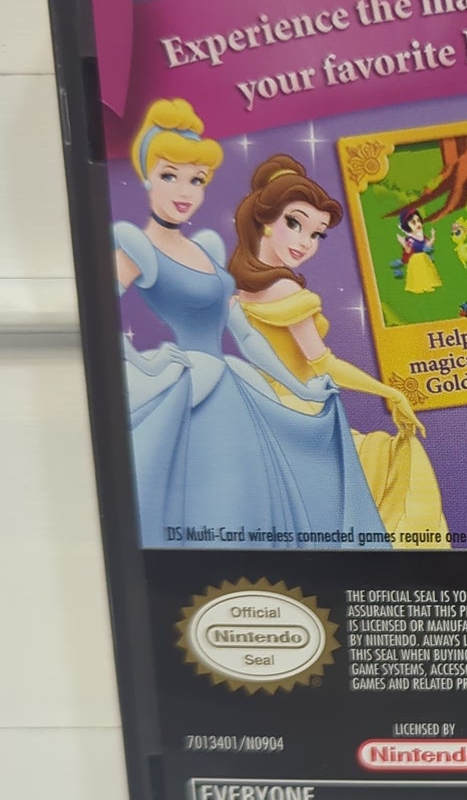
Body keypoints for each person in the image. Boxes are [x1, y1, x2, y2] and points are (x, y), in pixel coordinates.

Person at [113, 100, 351, 548]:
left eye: (197, 179)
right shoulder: (137, 246)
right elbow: (97, 317)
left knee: (256, 501)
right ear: (146, 175)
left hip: (231, 379)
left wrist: (299, 389)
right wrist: (145, 365)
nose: (185, 191)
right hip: (189, 386)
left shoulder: (205, 245)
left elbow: (243, 335)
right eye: (170, 175)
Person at [228, 156, 448, 543]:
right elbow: (324, 363)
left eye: (317, 234)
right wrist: (390, 392)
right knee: (396, 465)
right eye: (294, 223)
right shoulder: (287, 292)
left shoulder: (240, 291)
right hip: (303, 416)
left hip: (263, 412)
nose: (305, 243)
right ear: (265, 219)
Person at [399, 209, 442, 293]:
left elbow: (427, 245)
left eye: (418, 221)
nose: (417, 224)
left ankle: (428, 285)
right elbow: (408, 250)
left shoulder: (422, 237)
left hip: (424, 257)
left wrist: (433, 237)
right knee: (419, 273)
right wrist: (403, 243)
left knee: (426, 272)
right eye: (413, 222)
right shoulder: (411, 239)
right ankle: (419, 287)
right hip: (415, 260)